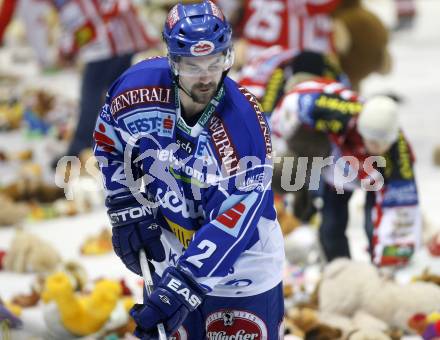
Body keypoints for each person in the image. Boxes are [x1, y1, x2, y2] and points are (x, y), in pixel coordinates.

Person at [94, 1, 285, 339]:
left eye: (216, 62)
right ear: (173, 61)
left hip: (243, 270)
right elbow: (110, 140)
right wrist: (125, 204)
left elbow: (232, 225)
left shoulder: (245, 128)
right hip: (170, 251)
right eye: (194, 65)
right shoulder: (135, 90)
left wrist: (182, 286)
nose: (207, 76)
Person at [271, 71, 421, 267]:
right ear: (359, 128)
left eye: (382, 143)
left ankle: (378, 275)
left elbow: (403, 207)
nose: (376, 147)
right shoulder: (333, 111)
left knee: (372, 225)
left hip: (373, 178)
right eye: (371, 140)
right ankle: (341, 273)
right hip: (338, 169)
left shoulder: (398, 153)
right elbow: (295, 103)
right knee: (331, 226)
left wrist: (392, 253)